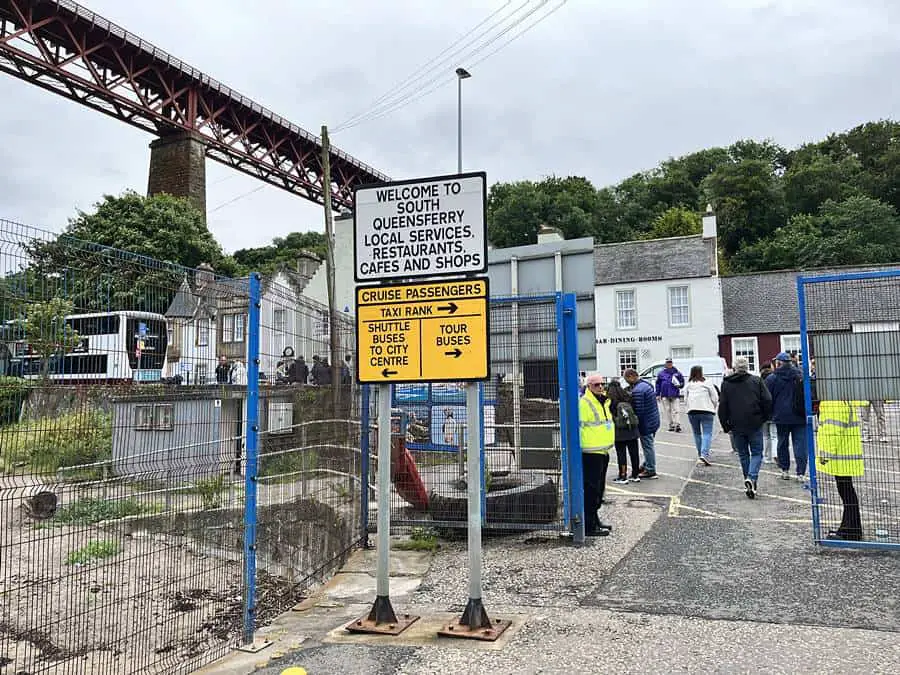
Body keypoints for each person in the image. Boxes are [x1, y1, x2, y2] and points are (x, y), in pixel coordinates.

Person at [718, 356, 772, 499]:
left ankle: (749, 481)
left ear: (735, 367)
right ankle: (752, 478)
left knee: (743, 455)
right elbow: (767, 400)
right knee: (756, 453)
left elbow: (722, 406)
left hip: (736, 424)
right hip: (754, 422)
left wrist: (725, 425)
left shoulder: (726, 384)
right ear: (747, 367)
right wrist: (765, 417)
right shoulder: (756, 381)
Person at [816, 400, 864, 541]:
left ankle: (850, 530)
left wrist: (825, 453)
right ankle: (849, 528)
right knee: (847, 491)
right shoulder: (842, 400)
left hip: (842, 456)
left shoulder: (834, 402)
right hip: (845, 453)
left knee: (846, 492)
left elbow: (833, 431)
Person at [579, 374, 615, 536]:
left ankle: (595, 519)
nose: (600, 387)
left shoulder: (604, 402)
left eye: (602, 384)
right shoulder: (585, 403)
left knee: (599, 489)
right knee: (591, 490)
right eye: (596, 385)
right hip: (590, 453)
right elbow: (579, 427)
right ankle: (589, 526)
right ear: (589, 387)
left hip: (602, 451)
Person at [766, 351, 808, 482]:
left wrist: (770, 413)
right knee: (800, 445)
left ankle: (785, 470)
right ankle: (801, 472)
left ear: (779, 363)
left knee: (782, 443)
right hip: (800, 415)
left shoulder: (772, 378)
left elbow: (768, 398)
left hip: (781, 416)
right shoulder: (800, 375)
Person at [623, 368, 661, 479]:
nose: (626, 381)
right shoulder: (646, 385)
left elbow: (639, 411)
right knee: (649, 445)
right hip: (654, 420)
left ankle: (650, 470)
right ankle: (646, 464)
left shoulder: (638, 391)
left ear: (631, 376)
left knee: (647, 446)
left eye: (626, 379)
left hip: (646, 424)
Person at [605, 379, 641, 484]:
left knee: (621, 454)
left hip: (619, 431)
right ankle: (635, 474)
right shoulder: (628, 397)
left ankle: (623, 475)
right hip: (632, 429)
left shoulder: (610, 400)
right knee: (634, 453)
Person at [684, 365, 719, 466]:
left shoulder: (689, 385)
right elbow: (715, 397)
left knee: (697, 433)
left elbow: (685, 399)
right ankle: (704, 454)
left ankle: (700, 454)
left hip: (692, 411)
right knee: (707, 433)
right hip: (707, 411)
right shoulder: (707, 383)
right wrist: (713, 406)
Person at [656, 358, 685, 432]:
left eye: (670, 362)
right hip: (665, 394)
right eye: (668, 363)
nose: (669, 364)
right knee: (667, 410)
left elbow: (682, 382)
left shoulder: (677, 373)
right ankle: (670, 424)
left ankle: (677, 424)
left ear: (672, 363)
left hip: (675, 394)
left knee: (676, 410)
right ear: (665, 364)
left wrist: (680, 385)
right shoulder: (661, 373)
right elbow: (658, 384)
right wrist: (657, 394)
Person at [758, 360, 777, 463]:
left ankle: (766, 457)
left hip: (763, 412)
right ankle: (775, 454)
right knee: (774, 435)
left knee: (765, 436)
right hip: (774, 410)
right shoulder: (775, 379)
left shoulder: (759, 380)